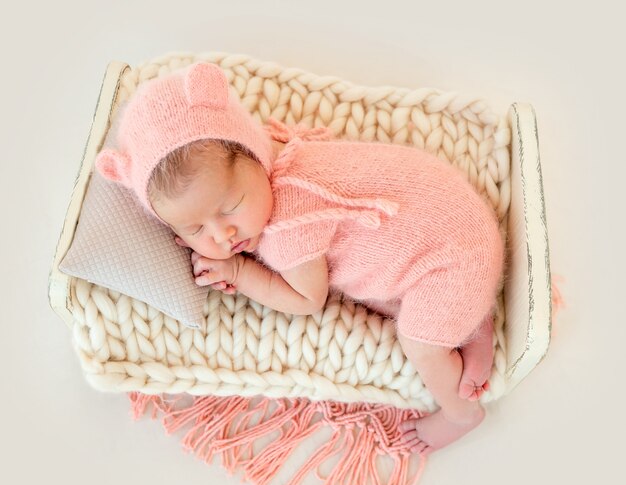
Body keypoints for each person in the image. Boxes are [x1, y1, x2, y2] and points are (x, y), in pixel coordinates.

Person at [96, 62, 505, 454]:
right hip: (456, 221)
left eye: (229, 207)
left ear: (252, 154)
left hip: (451, 258)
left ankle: (461, 412)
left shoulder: (288, 223)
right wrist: (218, 223)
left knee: (418, 340)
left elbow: (307, 299)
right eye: (195, 230)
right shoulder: (282, 152)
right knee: (398, 291)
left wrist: (239, 270)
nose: (223, 235)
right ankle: (474, 323)